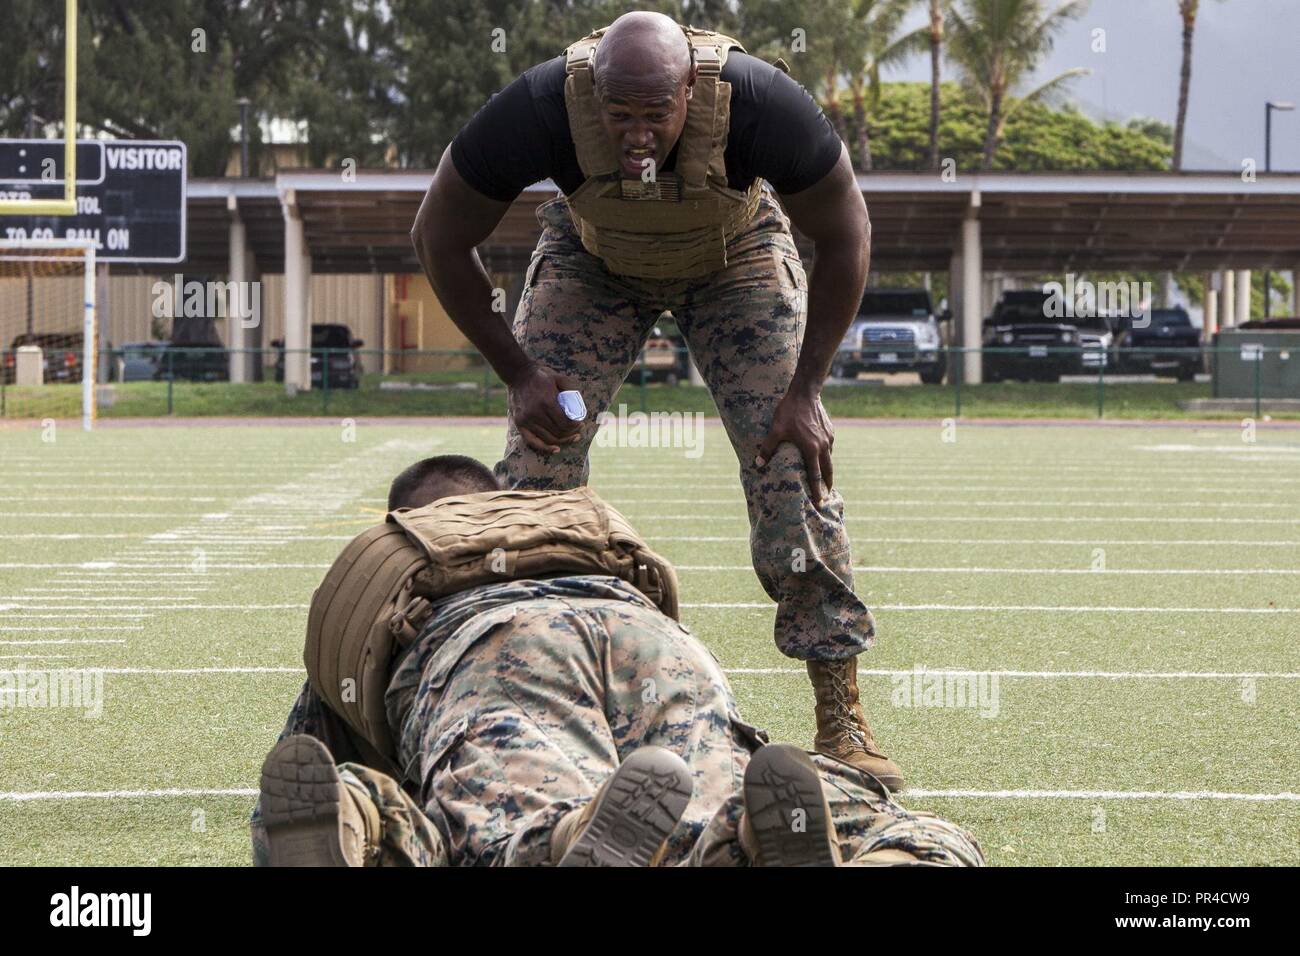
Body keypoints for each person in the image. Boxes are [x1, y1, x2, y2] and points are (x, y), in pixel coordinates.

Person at [409, 11, 899, 787]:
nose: (636, 133)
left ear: (691, 91)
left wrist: (805, 391)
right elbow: (437, 234)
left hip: (733, 253)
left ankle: (839, 711)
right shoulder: (540, 107)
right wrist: (520, 375)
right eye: (618, 112)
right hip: (593, 257)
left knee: (788, 459)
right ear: (592, 93)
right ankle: (527, 700)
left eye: (654, 113)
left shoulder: (761, 105)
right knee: (538, 467)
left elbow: (850, 232)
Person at [251, 457, 982, 867]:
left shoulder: (400, 570)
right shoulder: (569, 532)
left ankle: (378, 829)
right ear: (502, 501)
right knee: (730, 779)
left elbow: (306, 747)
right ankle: (835, 849)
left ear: (405, 525)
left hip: (484, 648)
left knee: (492, 821)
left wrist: (350, 783)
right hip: (648, 642)